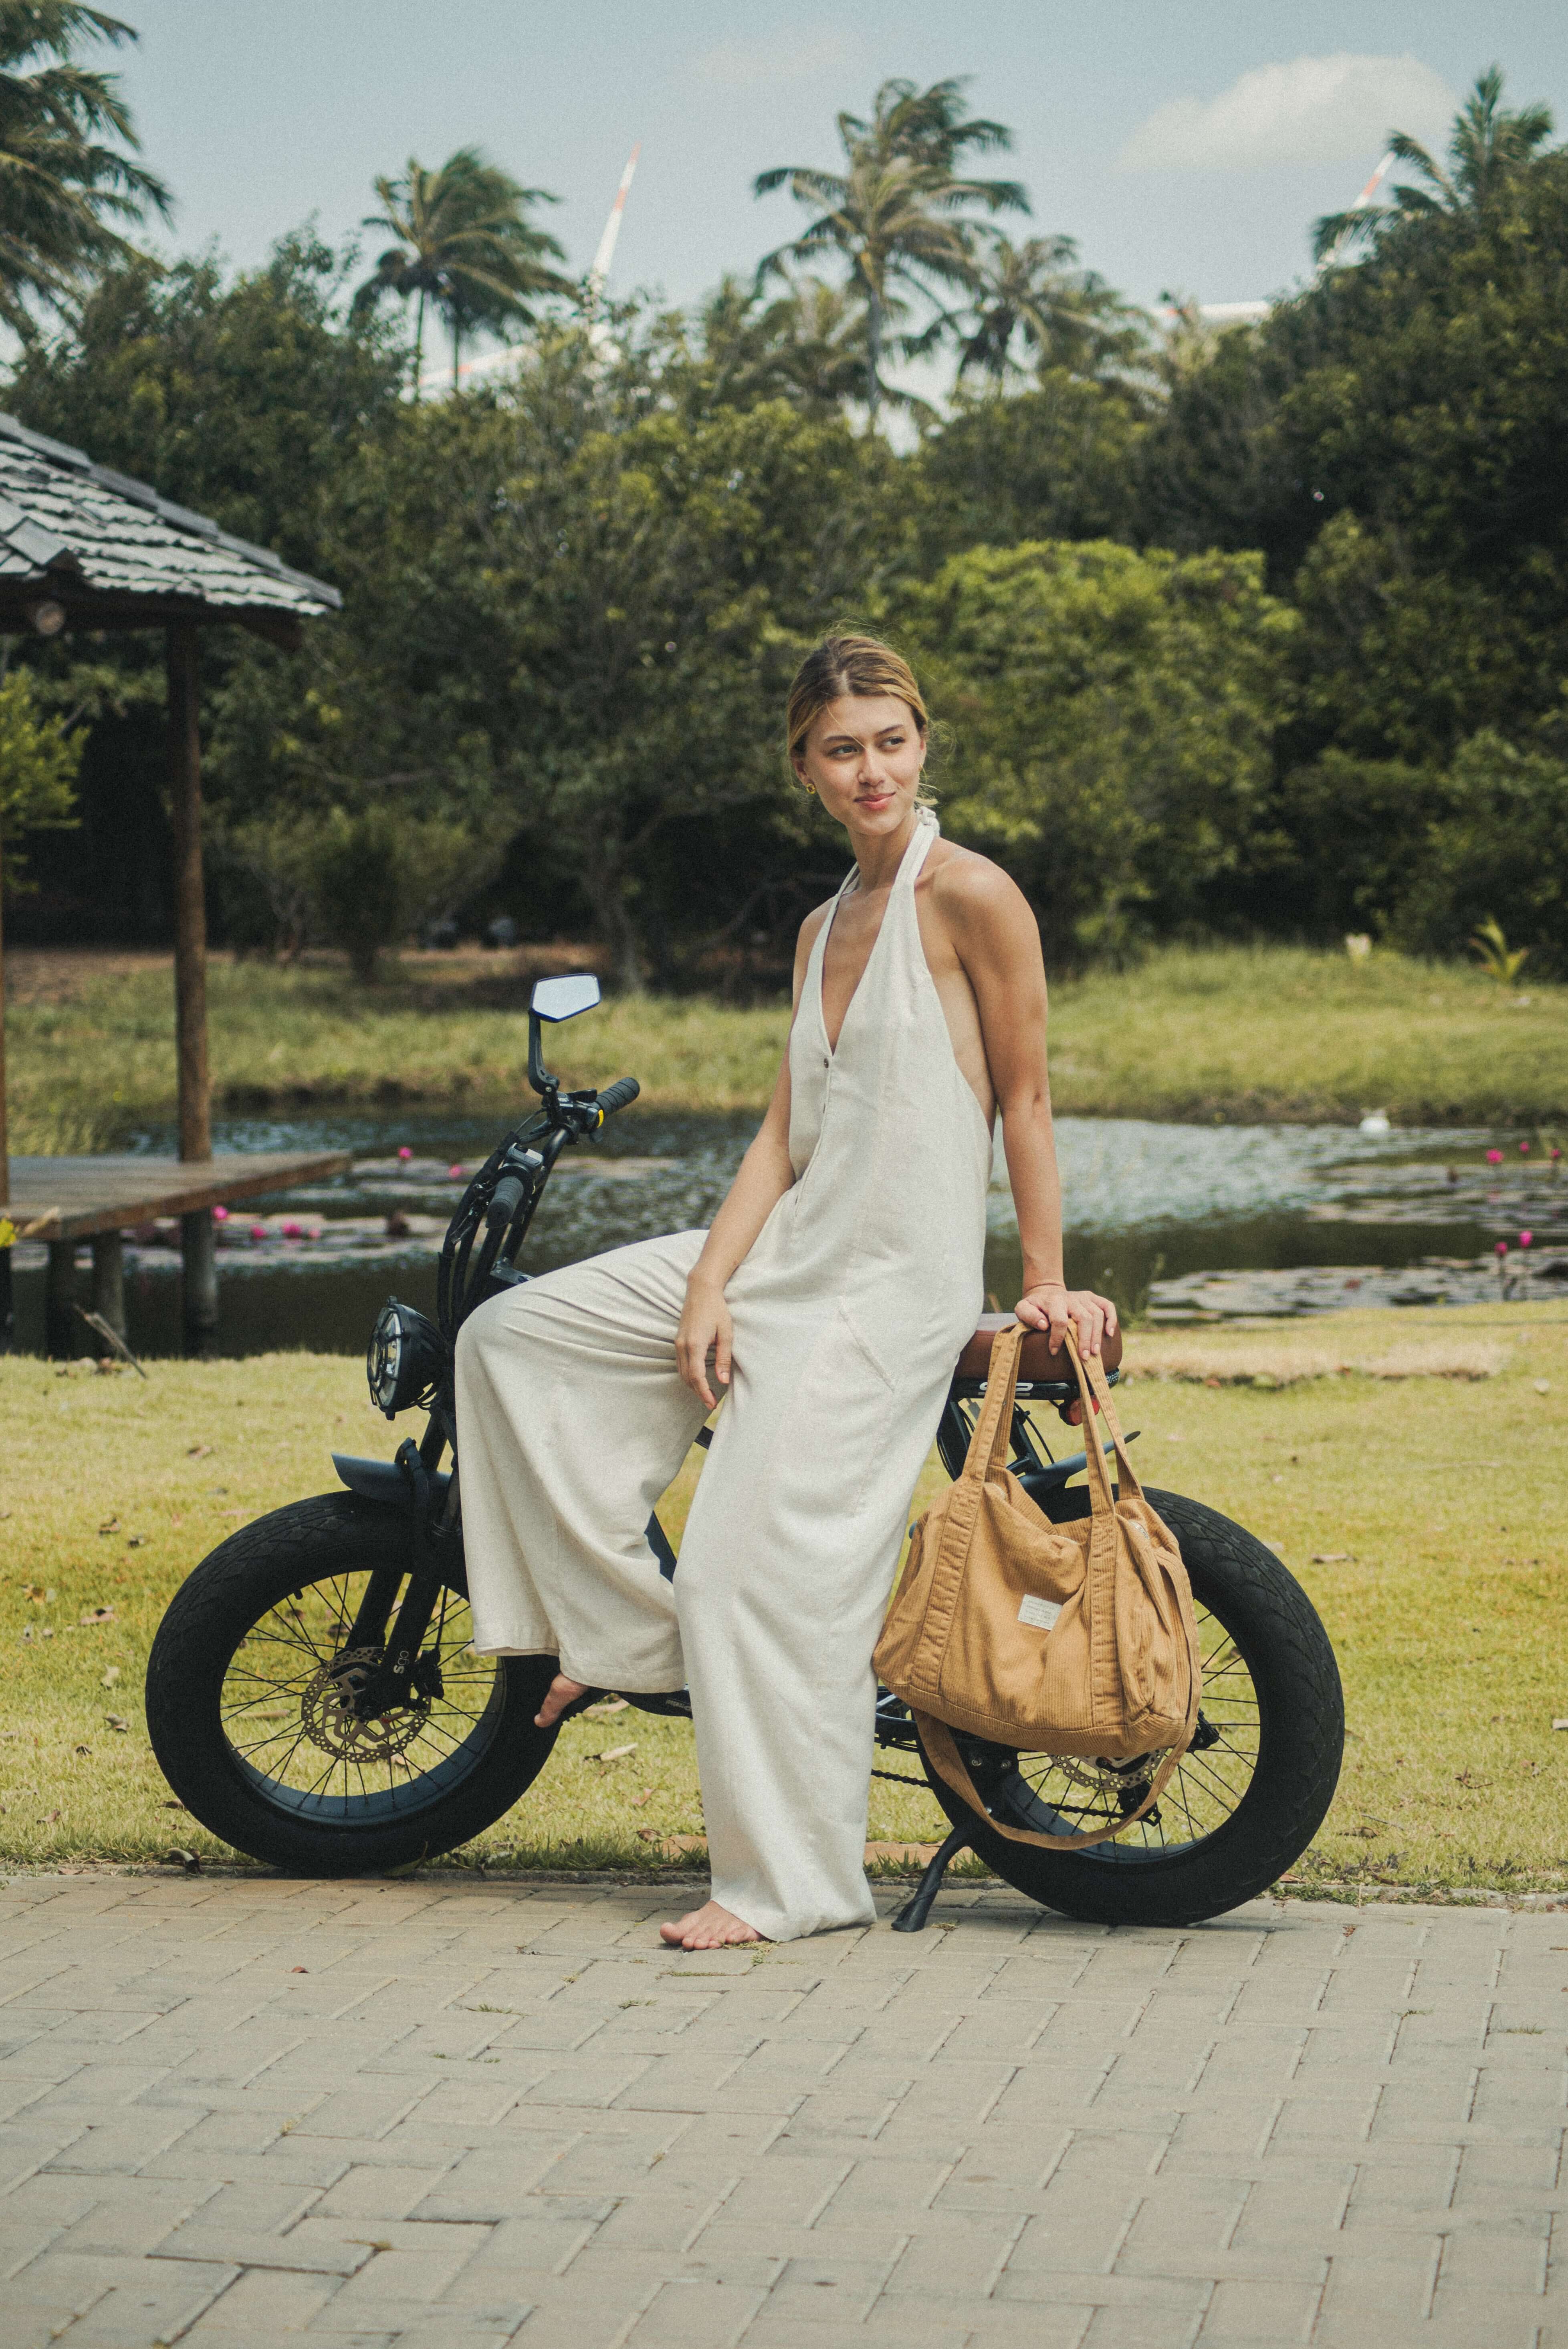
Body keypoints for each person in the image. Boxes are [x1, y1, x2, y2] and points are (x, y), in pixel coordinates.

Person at [454, 634, 1116, 1949]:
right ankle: (625, 1642)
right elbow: (778, 1137)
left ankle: (789, 1886)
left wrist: (1042, 1283)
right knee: (509, 1337)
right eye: (840, 749)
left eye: (889, 742)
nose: (869, 769)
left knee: (749, 1582)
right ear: (803, 770)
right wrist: (707, 1283)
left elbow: (1028, 1099)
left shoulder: (974, 897)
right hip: (786, 1251)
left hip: (884, 1290)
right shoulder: (822, 926)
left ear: (921, 745)